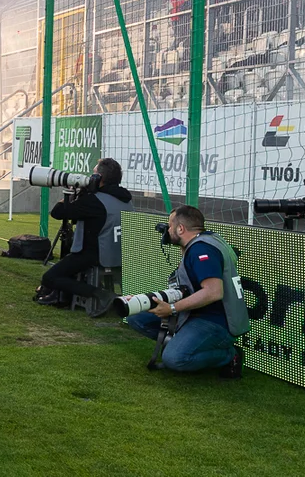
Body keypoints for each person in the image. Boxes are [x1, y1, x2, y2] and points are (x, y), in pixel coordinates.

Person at [127, 206, 250, 378]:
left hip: (216, 321)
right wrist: (144, 300)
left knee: (174, 359)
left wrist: (172, 309)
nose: (167, 230)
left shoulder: (201, 250)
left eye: (170, 226)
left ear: (180, 229)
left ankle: (230, 355)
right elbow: (185, 289)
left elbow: (213, 292)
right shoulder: (205, 241)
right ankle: (182, 340)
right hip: (193, 313)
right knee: (136, 316)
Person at [38, 158, 133, 316]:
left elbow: (58, 212)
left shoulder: (95, 201)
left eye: (93, 174)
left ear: (98, 178)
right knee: (69, 262)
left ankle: (100, 294)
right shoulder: (126, 199)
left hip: (95, 254)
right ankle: (63, 295)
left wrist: (70, 192)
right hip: (120, 253)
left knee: (50, 277)